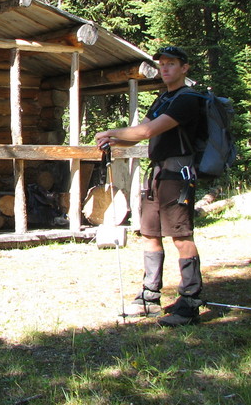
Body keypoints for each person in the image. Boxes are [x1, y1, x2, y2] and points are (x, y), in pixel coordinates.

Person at [94, 46, 203, 327]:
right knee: (150, 233)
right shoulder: (163, 99)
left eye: (171, 64)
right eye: (162, 64)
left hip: (178, 173)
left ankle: (190, 302)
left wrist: (111, 132)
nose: (165, 68)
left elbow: (148, 131)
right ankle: (150, 296)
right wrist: (115, 140)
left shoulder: (189, 99)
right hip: (157, 173)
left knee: (180, 236)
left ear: (184, 68)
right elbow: (137, 135)